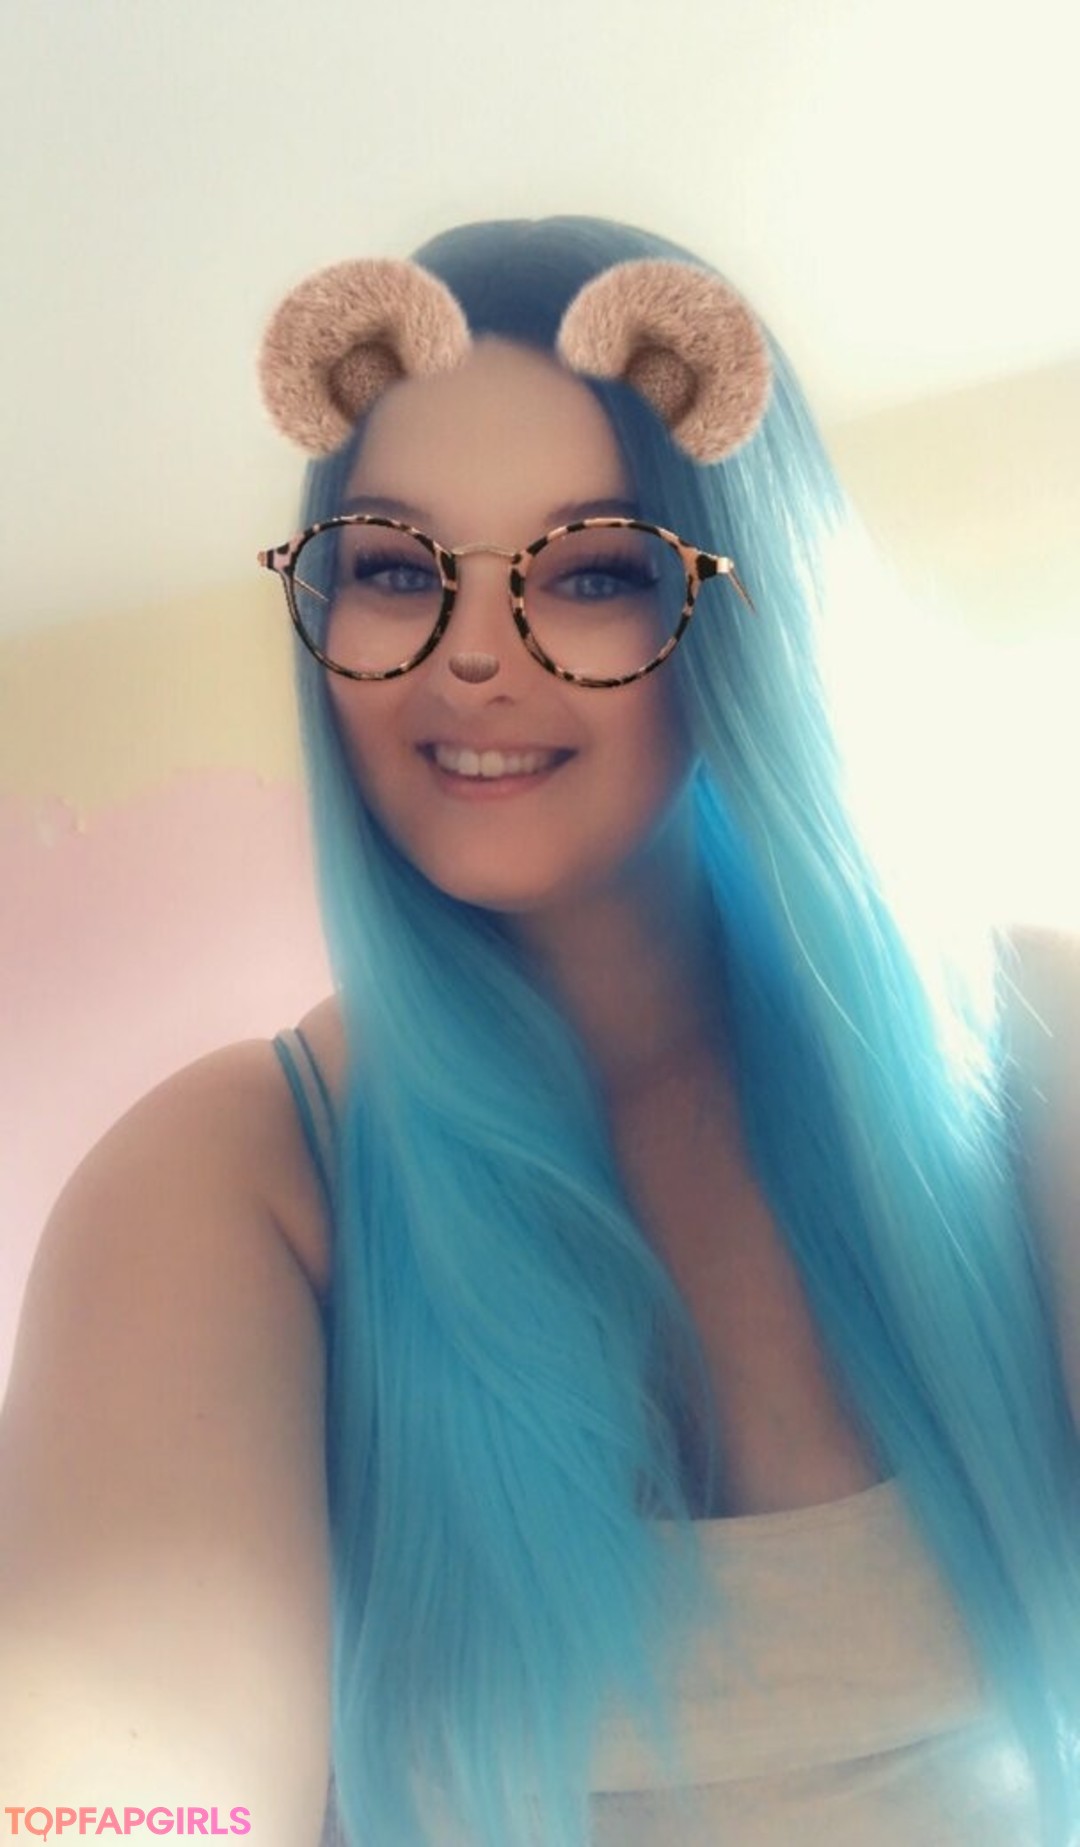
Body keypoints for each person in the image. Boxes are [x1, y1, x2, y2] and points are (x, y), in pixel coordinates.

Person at [2, 215, 1080, 1847]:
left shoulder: (1022, 1049)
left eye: (589, 572)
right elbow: (119, 1777)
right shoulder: (231, 1182)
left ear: (741, 605)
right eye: (392, 567)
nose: (473, 654)